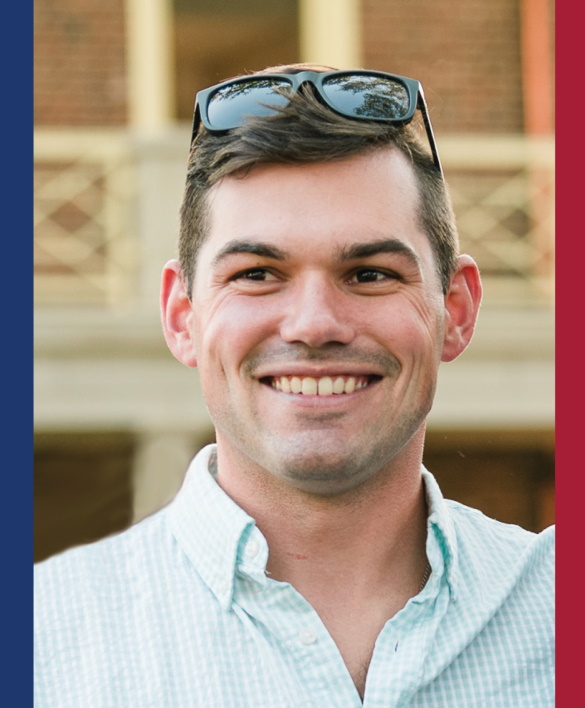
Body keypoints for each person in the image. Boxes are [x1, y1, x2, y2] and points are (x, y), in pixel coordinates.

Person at [34, 64, 554, 707]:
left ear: (458, 310)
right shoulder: (39, 646)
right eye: (256, 273)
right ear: (181, 317)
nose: (314, 325)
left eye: (369, 273)